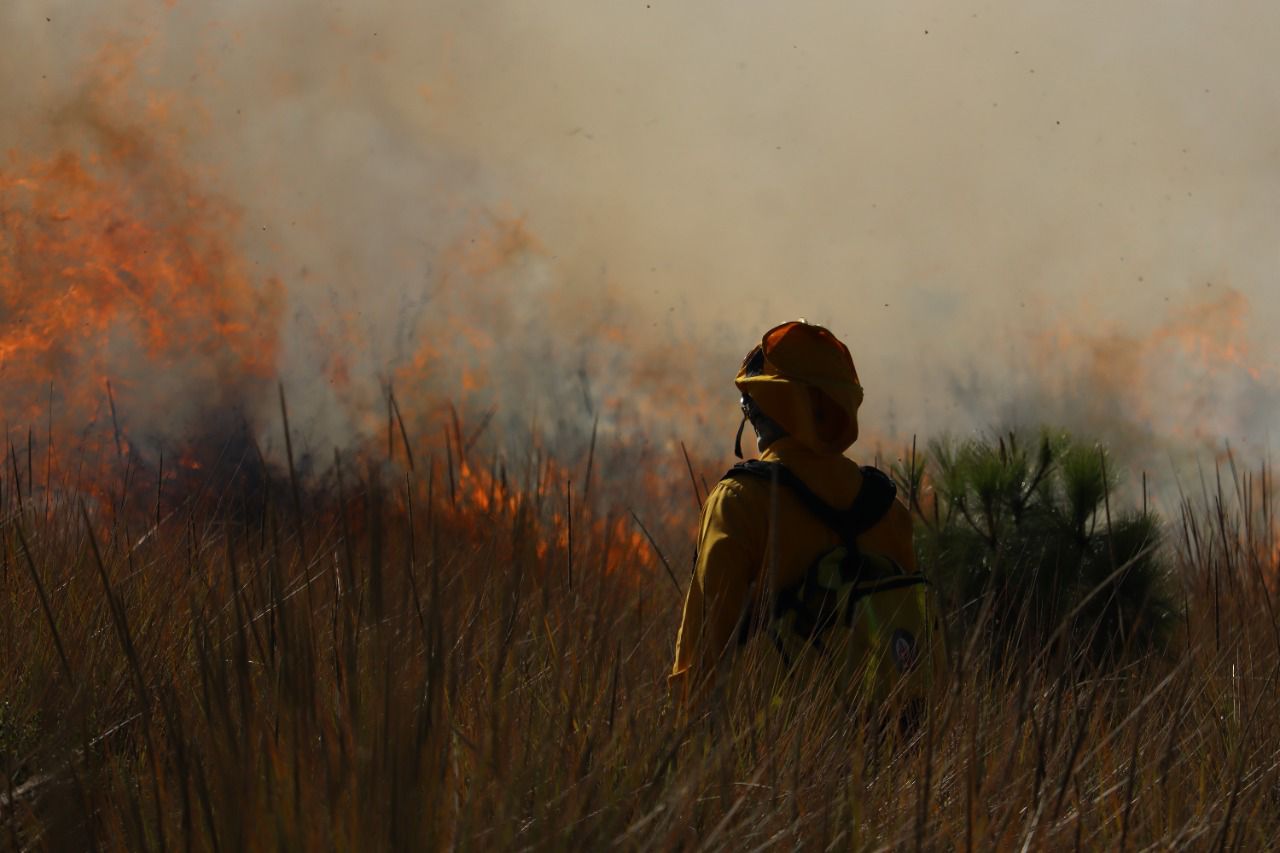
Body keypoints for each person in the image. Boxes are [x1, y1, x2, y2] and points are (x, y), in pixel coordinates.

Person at [669, 320, 939, 714]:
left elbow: (704, 644)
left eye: (748, 403)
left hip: (771, 751)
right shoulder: (887, 510)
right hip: (889, 740)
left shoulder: (739, 502)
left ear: (764, 408)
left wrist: (685, 747)